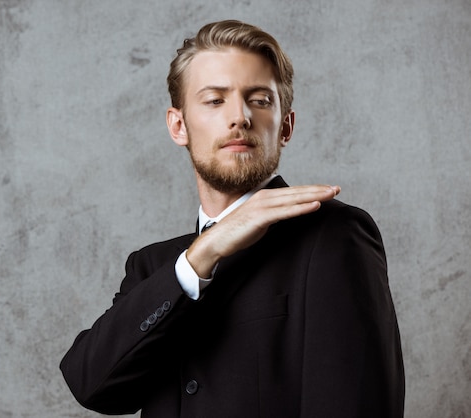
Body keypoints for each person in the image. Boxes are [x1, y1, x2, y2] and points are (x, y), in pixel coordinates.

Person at [60, 20, 404, 417]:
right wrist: (200, 257)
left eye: (259, 100)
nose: (239, 116)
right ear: (178, 125)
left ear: (286, 126)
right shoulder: (154, 267)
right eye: (214, 100)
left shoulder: (332, 236)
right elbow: (91, 386)